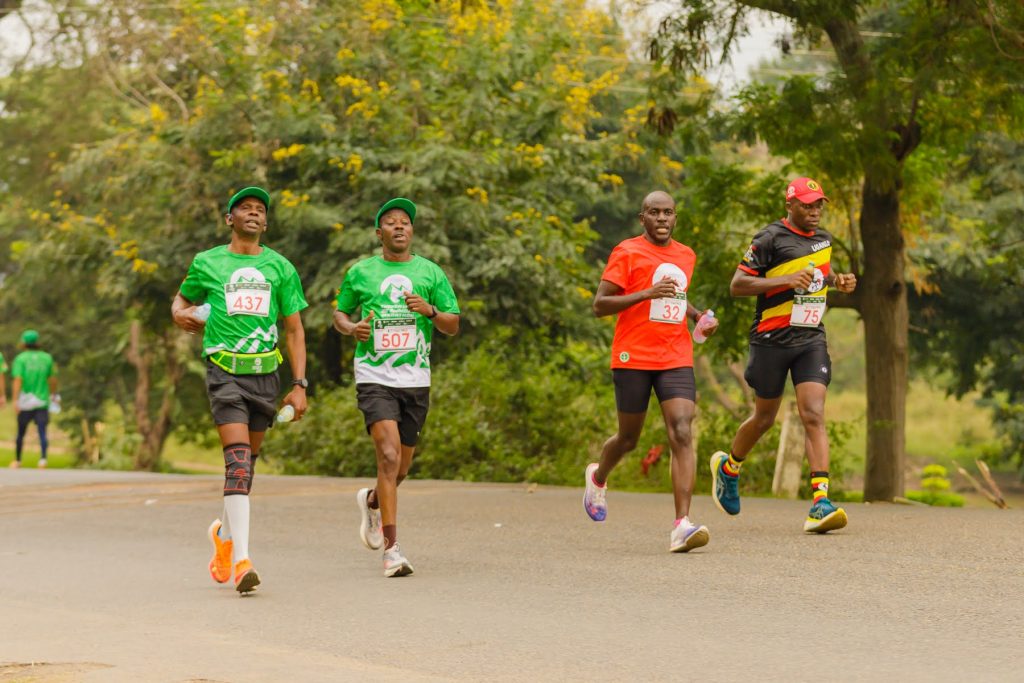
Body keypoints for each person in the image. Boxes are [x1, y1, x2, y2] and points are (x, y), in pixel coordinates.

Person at [172, 186, 309, 594]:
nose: (253, 214)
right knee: (237, 463)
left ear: (265, 222)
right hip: (224, 371)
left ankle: (224, 539)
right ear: (229, 219)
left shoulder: (281, 267)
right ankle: (243, 560)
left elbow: (295, 329)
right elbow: (180, 301)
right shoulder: (208, 262)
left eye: (259, 210)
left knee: (247, 468)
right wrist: (181, 314)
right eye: (244, 209)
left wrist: (299, 385)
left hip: (266, 375)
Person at [710, 177, 857, 533]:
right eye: (808, 205)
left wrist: (837, 281)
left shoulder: (824, 240)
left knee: (814, 413)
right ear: (789, 205)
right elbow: (738, 285)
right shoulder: (768, 239)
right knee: (763, 419)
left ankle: (820, 503)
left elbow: (819, 274)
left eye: (819, 204)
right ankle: (729, 468)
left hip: (810, 338)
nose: (815, 211)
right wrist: (786, 280)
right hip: (771, 340)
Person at [583, 190, 719, 553]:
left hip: (675, 355)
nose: (662, 219)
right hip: (633, 355)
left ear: (676, 217)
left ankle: (681, 525)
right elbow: (600, 305)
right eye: (654, 213)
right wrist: (646, 293)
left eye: (668, 213)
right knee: (628, 439)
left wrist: (698, 316)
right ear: (642, 218)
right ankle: (598, 477)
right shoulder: (626, 252)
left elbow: (676, 295)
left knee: (682, 430)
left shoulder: (685, 254)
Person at [334, 197, 460, 577]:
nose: (399, 226)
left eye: (405, 221)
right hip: (375, 376)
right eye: (390, 222)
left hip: (416, 380)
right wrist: (350, 327)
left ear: (412, 231)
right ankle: (392, 550)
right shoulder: (361, 272)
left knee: (401, 467)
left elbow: (452, 324)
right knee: (387, 457)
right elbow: (340, 312)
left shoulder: (430, 273)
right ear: (380, 233)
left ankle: (372, 500)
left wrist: (432, 312)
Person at [10, 330, 59, 469]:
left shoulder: (21, 359)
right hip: (42, 400)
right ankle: (43, 459)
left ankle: (18, 460)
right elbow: (53, 379)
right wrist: (53, 394)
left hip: (25, 401)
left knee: (21, 433)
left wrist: (15, 400)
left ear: (24, 343)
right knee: (42, 431)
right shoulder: (47, 358)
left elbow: (18, 380)